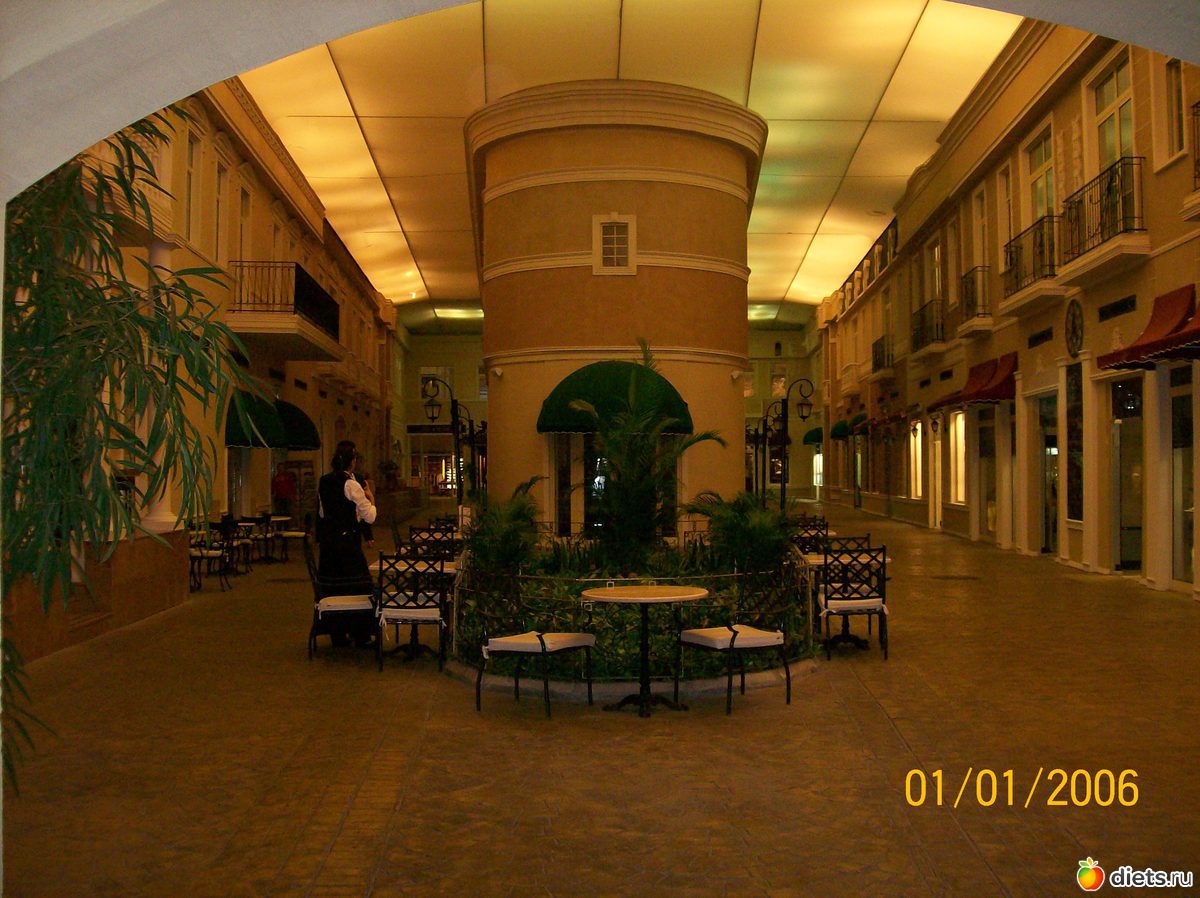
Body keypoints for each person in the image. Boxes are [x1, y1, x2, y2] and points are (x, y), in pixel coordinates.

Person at [317, 440, 377, 645]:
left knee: (335, 589)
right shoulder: (351, 484)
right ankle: (360, 634)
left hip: (329, 546)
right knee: (358, 587)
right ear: (352, 461)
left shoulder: (324, 481)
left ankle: (337, 633)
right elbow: (369, 516)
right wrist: (371, 498)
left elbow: (322, 513)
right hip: (348, 546)